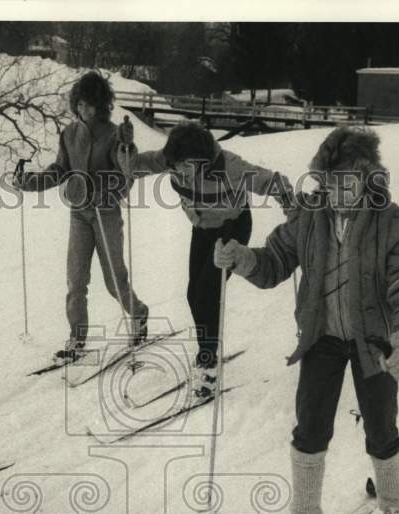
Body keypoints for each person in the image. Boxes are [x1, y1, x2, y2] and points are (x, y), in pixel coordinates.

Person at [212, 126, 399, 514]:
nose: (337, 190)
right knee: (309, 428)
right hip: (322, 337)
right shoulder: (309, 217)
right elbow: (274, 262)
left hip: (374, 342)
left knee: (381, 428)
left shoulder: (395, 223)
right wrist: (241, 258)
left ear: (369, 177)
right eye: (329, 181)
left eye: (347, 180)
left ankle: (393, 512)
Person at [122, 122, 293, 398]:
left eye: (187, 166)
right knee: (193, 294)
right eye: (176, 166)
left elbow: (269, 180)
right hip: (202, 229)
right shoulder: (170, 159)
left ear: (202, 160)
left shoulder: (229, 166)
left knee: (208, 292)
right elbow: (133, 167)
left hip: (231, 227)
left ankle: (208, 361)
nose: (180, 171)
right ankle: (208, 348)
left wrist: (288, 200)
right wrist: (125, 148)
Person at [16, 71, 148, 363]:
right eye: (79, 104)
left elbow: (127, 175)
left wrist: (126, 147)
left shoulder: (114, 134)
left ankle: (139, 315)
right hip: (79, 213)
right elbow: (60, 169)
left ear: (101, 105)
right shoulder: (70, 134)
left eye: (88, 105)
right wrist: (30, 182)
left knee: (114, 279)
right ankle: (77, 338)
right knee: (76, 280)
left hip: (106, 212)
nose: (82, 110)